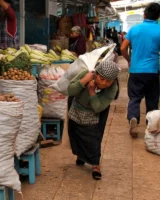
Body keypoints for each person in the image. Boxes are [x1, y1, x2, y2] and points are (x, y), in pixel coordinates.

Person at [67, 61, 120, 180]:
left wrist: (91, 91)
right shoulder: (86, 74)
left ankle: (95, 164)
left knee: (93, 136)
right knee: (75, 133)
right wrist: (84, 81)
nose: (104, 83)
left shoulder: (113, 88)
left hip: (96, 112)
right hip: (77, 107)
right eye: (102, 78)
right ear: (96, 74)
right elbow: (70, 91)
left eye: (108, 81)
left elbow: (98, 107)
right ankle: (81, 156)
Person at [120, 3, 160, 138]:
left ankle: (133, 118)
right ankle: (151, 126)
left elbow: (122, 48)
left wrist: (129, 60)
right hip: (153, 71)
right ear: (158, 17)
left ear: (144, 15)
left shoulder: (134, 29)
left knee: (134, 98)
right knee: (152, 100)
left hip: (136, 71)